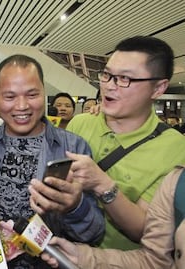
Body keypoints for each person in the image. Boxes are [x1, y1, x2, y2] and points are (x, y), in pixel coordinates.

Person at [0, 54, 104, 268]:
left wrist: (75, 206)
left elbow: (94, 233)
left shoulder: (74, 148)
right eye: (10, 96)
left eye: (32, 94)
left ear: (44, 93)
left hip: (48, 262)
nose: (22, 106)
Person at [65, 36, 185, 250]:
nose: (109, 87)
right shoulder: (81, 123)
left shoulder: (175, 147)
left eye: (124, 79)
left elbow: (147, 231)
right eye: (107, 75)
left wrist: (103, 184)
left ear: (158, 88)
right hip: (63, 253)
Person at [40, 166, 185, 269]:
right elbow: (154, 262)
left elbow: (140, 231)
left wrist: (103, 185)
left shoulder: (174, 150)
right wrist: (82, 257)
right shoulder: (176, 181)